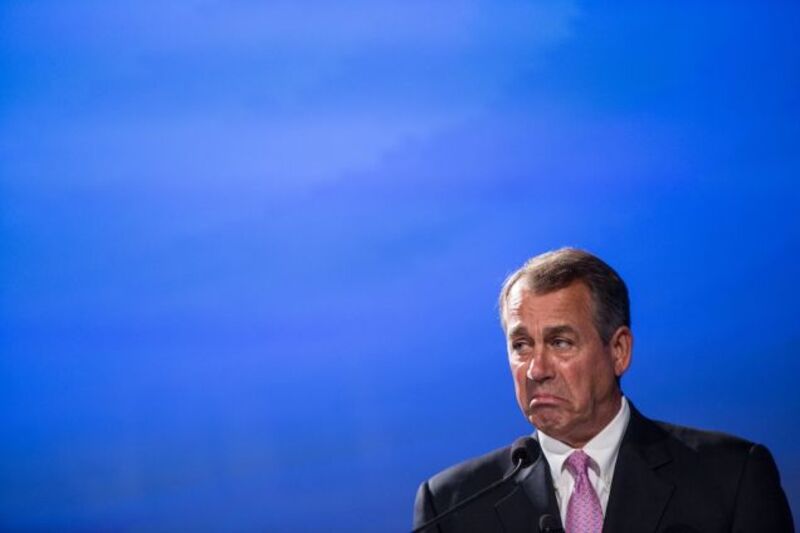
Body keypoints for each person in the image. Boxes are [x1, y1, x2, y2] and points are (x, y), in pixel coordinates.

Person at [413, 248, 794, 533]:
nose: (536, 369)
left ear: (619, 351)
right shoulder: (451, 505)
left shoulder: (732, 478)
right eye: (521, 345)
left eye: (560, 342)